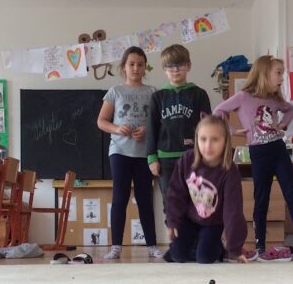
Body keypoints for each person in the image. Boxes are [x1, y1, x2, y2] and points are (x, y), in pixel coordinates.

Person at [213, 55, 293, 260]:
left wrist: (282, 125)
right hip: (259, 153)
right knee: (261, 198)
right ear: (264, 73)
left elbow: (290, 110)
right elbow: (218, 111)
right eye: (278, 73)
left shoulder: (274, 99)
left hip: (278, 149)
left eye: (282, 73)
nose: (282, 78)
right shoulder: (243, 96)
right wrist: (232, 131)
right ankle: (260, 245)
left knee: (291, 193)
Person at [97, 46, 165, 260]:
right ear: (124, 67)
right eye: (132, 64)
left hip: (145, 154)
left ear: (145, 67)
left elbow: (160, 122)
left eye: (140, 64)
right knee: (120, 197)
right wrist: (118, 128)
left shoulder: (153, 92)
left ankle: (152, 245)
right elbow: (101, 121)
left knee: (145, 199)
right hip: (119, 151)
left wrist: (148, 130)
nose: (136, 68)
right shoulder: (115, 91)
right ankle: (116, 246)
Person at [165, 115, 248, 264]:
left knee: (205, 259)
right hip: (190, 219)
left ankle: (216, 248)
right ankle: (194, 245)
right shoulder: (187, 160)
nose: (208, 145)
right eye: (203, 139)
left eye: (215, 140)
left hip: (213, 223)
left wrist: (234, 249)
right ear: (196, 139)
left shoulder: (230, 171)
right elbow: (175, 194)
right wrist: (172, 222)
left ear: (225, 141)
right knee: (177, 256)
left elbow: (233, 211)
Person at [146, 44, 211, 214]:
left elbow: (207, 127)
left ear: (188, 66)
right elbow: (151, 128)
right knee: (171, 204)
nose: (175, 70)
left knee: (198, 203)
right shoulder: (158, 97)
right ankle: (175, 233)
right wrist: (152, 158)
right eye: (170, 66)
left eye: (180, 65)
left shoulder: (199, 94)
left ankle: (195, 233)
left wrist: (208, 154)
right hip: (165, 160)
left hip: (194, 157)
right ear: (164, 69)